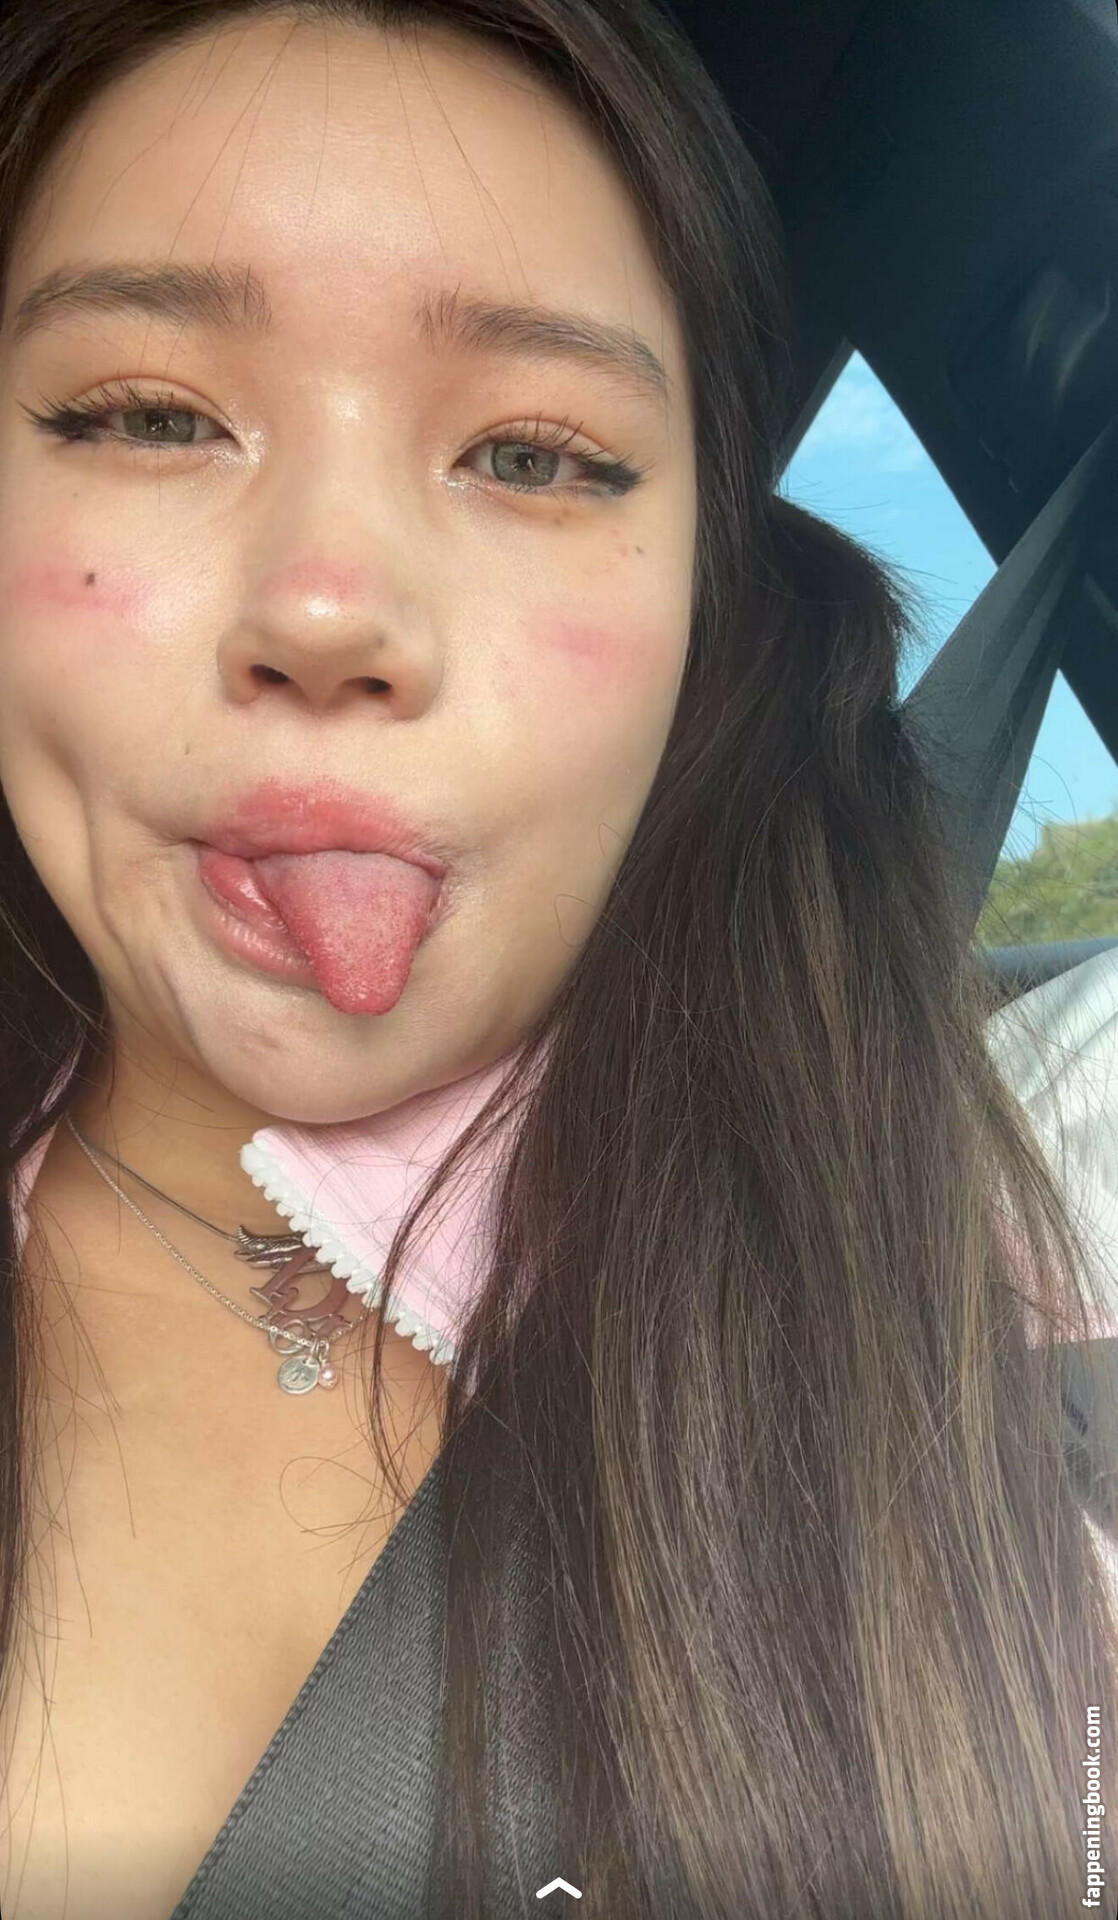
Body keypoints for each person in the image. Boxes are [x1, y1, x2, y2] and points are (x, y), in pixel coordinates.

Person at [0, 1, 1111, 1915]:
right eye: (148, 415)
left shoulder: (992, 1274)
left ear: (704, 612)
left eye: (534, 452)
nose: (330, 607)